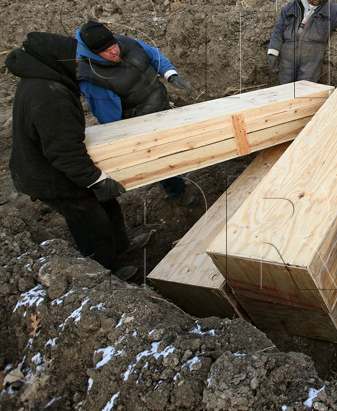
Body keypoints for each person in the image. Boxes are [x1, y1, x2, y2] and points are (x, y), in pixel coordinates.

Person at [7, 32, 150, 281]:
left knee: (108, 205)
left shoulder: (44, 80)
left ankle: (121, 246)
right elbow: (64, 152)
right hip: (50, 177)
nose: (79, 64)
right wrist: (96, 180)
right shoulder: (49, 95)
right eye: (74, 60)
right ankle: (107, 272)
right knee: (90, 221)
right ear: (57, 61)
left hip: (54, 165)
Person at [75, 21, 197, 207]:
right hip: (138, 124)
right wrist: (130, 144)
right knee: (157, 158)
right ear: (93, 53)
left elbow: (153, 55)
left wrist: (170, 74)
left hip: (160, 107)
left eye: (113, 45)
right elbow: (110, 120)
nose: (114, 52)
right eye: (106, 51)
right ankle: (176, 191)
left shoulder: (128, 43)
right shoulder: (93, 78)